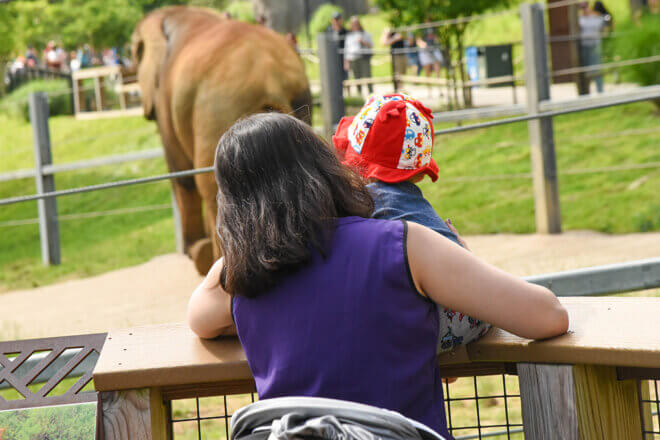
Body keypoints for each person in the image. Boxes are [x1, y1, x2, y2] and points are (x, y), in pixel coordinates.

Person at [187, 112, 569, 438]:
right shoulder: (403, 245)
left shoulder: (239, 277)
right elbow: (548, 316)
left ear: (231, 204)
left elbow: (199, 318)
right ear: (325, 168)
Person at [332, 93, 490, 351]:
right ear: (417, 175)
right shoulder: (410, 202)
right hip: (461, 311)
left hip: (447, 315)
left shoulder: (366, 201)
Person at [579, 2, 606, 93]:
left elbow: (602, 26)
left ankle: (600, 90)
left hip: (595, 45)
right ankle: (585, 92)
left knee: (596, 68)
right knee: (585, 69)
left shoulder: (596, 17)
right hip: (584, 46)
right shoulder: (579, 18)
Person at [344, 16, 373, 94]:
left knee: (368, 77)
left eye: (356, 23)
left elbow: (371, 45)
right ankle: (359, 94)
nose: (355, 25)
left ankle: (371, 93)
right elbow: (347, 49)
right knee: (357, 78)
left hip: (363, 58)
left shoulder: (365, 34)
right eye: (353, 24)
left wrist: (363, 42)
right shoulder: (349, 36)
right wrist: (346, 62)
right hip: (353, 59)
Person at [327, 12, 348, 80]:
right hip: (332, 57)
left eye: (337, 19)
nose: (336, 21)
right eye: (334, 20)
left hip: (343, 57)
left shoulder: (345, 31)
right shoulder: (328, 31)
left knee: (345, 76)